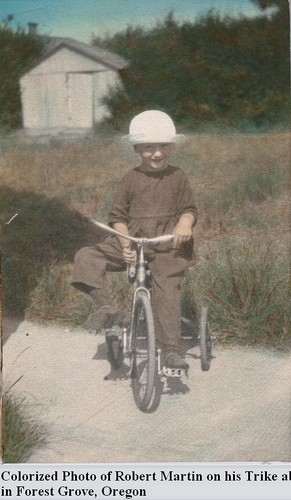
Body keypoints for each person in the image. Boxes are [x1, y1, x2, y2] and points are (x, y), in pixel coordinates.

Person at [71, 110, 198, 370]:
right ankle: (108, 308)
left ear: (171, 147)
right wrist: (126, 245)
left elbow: (189, 208)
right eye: (149, 147)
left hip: (166, 245)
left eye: (163, 146)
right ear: (136, 149)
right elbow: (117, 216)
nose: (157, 153)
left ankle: (171, 351)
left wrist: (185, 223)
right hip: (132, 239)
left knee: (167, 291)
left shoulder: (178, 176)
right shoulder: (130, 178)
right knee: (87, 255)